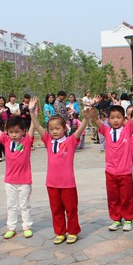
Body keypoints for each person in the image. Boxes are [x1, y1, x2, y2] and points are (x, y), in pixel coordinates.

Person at [31, 99, 88, 245]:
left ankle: (73, 231)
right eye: (51, 129)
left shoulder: (70, 141)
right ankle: (60, 232)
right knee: (56, 210)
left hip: (68, 183)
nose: (54, 131)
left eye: (57, 128)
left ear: (64, 128)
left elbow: (81, 129)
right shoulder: (48, 141)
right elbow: (37, 126)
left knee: (71, 209)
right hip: (52, 183)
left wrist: (87, 117)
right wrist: (32, 112)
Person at [90, 94, 133, 232]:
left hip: (125, 172)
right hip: (110, 172)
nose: (115, 120)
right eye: (112, 118)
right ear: (108, 119)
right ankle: (116, 219)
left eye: (119, 117)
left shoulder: (127, 130)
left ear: (124, 119)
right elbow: (94, 118)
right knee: (113, 197)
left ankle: (128, 219)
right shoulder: (106, 131)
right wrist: (92, 106)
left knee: (126, 197)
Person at [0, 97, 37, 240]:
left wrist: (32, 112)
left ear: (22, 131)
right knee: (11, 205)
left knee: (24, 205)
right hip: (10, 181)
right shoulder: (5, 140)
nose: (13, 134)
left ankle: (27, 226)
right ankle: (11, 227)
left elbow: (33, 127)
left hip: (24, 180)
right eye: (11, 131)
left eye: (17, 132)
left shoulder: (26, 141)